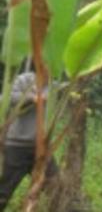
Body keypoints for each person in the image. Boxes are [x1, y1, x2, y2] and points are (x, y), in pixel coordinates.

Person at [0, 72, 58, 211]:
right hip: (17, 145)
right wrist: (31, 98)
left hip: (42, 147)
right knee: (4, 191)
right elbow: (4, 98)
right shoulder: (24, 79)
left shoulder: (54, 85)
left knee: (55, 185)